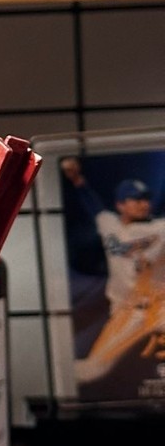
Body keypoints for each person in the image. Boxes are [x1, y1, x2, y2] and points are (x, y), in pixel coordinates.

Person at [60, 160, 165, 385]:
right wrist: (76, 179)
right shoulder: (110, 225)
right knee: (92, 370)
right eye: (136, 199)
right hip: (128, 313)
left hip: (160, 308)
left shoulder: (160, 228)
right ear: (120, 205)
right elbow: (93, 206)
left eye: (146, 199)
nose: (144, 204)